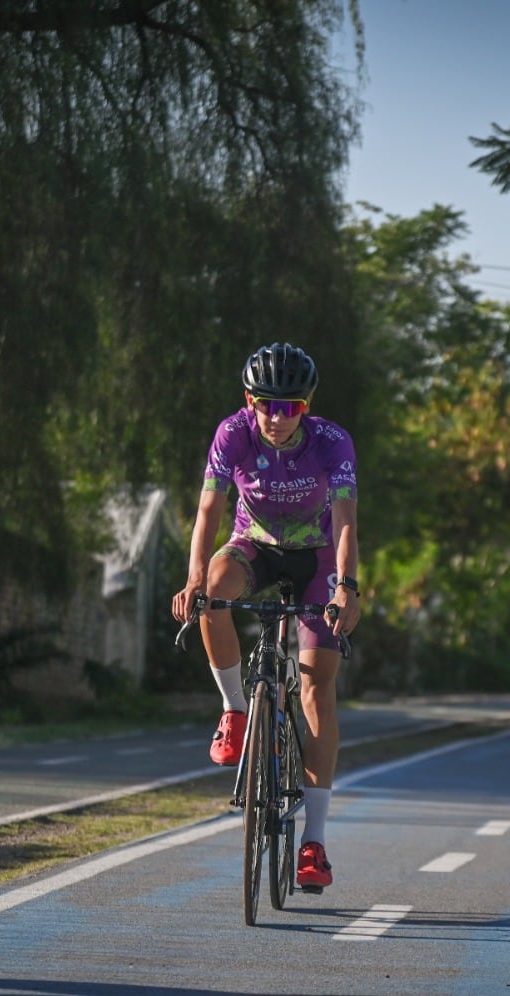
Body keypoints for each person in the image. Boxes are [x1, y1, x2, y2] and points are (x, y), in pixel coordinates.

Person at [171, 342, 360, 893]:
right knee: (212, 591)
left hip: (317, 556)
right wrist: (191, 580)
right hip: (253, 544)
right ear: (249, 401)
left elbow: (346, 520)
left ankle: (314, 843)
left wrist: (346, 587)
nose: (277, 419)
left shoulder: (332, 442)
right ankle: (234, 709)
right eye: (267, 405)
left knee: (314, 691)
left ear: (307, 406)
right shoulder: (233, 434)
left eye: (291, 407)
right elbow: (209, 510)